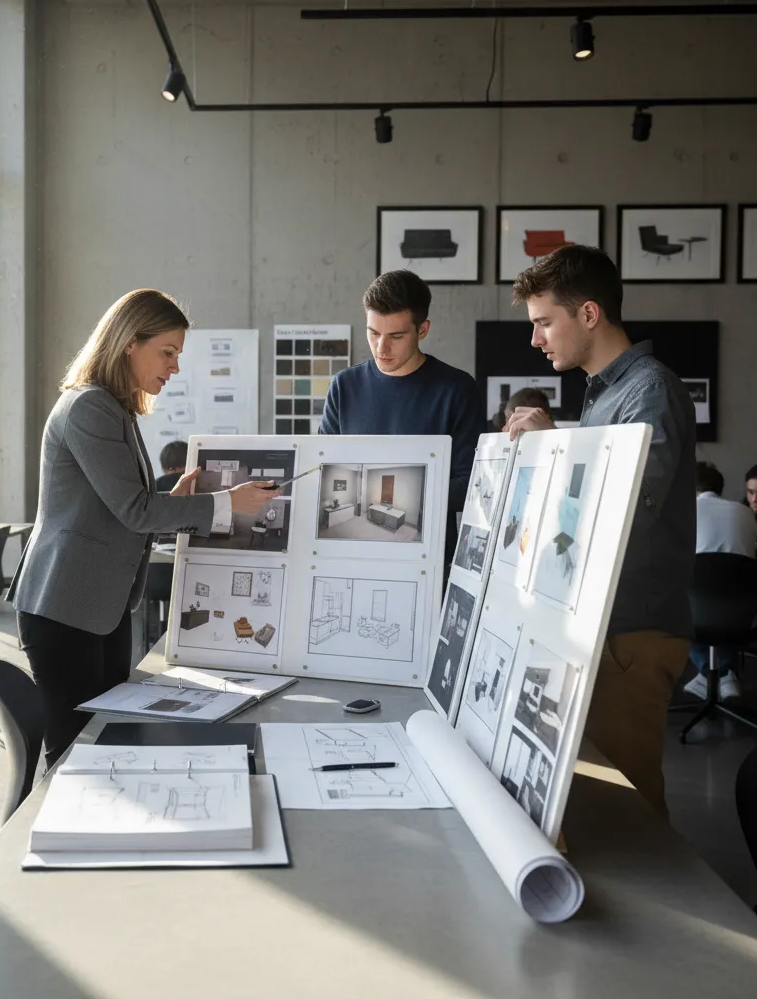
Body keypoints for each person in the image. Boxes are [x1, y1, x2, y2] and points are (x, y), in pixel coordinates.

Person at [8, 289, 278, 767]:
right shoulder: (89, 407)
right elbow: (135, 511)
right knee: (76, 753)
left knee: (102, 740)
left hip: (97, 608)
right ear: (130, 343)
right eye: (168, 352)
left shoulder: (117, 409)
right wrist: (226, 503)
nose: (174, 367)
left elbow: (121, 513)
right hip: (65, 608)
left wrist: (174, 503)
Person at [506, 244, 696, 816]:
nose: (536, 339)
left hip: (631, 635)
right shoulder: (607, 394)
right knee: (601, 802)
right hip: (602, 631)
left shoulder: (649, 392)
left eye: (544, 322)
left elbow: (619, 515)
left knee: (631, 813)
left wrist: (552, 453)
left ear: (588, 314)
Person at [319, 269, 482, 557]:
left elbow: (470, 484)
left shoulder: (456, 389)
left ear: (423, 330)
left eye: (396, 335)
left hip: (427, 559)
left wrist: (387, 495)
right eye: (373, 333)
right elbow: (323, 473)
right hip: (349, 552)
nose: (381, 347)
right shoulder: (344, 386)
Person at [683, 461, 757, 701]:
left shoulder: (685, 512)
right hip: (742, 618)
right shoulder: (744, 513)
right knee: (721, 601)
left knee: (681, 602)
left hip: (697, 616)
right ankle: (725, 675)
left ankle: (707, 673)